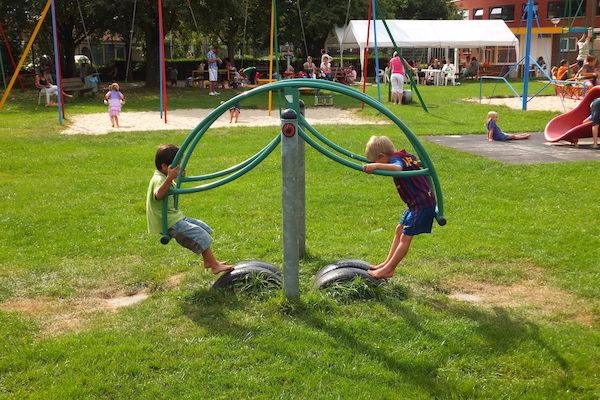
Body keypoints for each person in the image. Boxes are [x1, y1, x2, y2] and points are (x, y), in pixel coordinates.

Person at [146, 144, 233, 274]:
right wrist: (170, 178)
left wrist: (175, 177)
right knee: (199, 234)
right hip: (169, 222)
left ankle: (209, 261)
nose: (180, 167)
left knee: (204, 228)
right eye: (177, 165)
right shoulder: (159, 178)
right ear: (165, 167)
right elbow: (158, 195)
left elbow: (170, 187)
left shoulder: (164, 176)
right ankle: (214, 265)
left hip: (174, 217)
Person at [362, 136, 437, 279]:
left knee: (406, 237)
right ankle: (386, 263)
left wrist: (376, 166)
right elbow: (412, 158)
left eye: (375, 161)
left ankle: (389, 269)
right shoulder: (405, 156)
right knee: (399, 230)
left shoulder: (396, 161)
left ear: (382, 156)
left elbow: (397, 168)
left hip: (422, 204)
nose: (375, 164)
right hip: (417, 203)